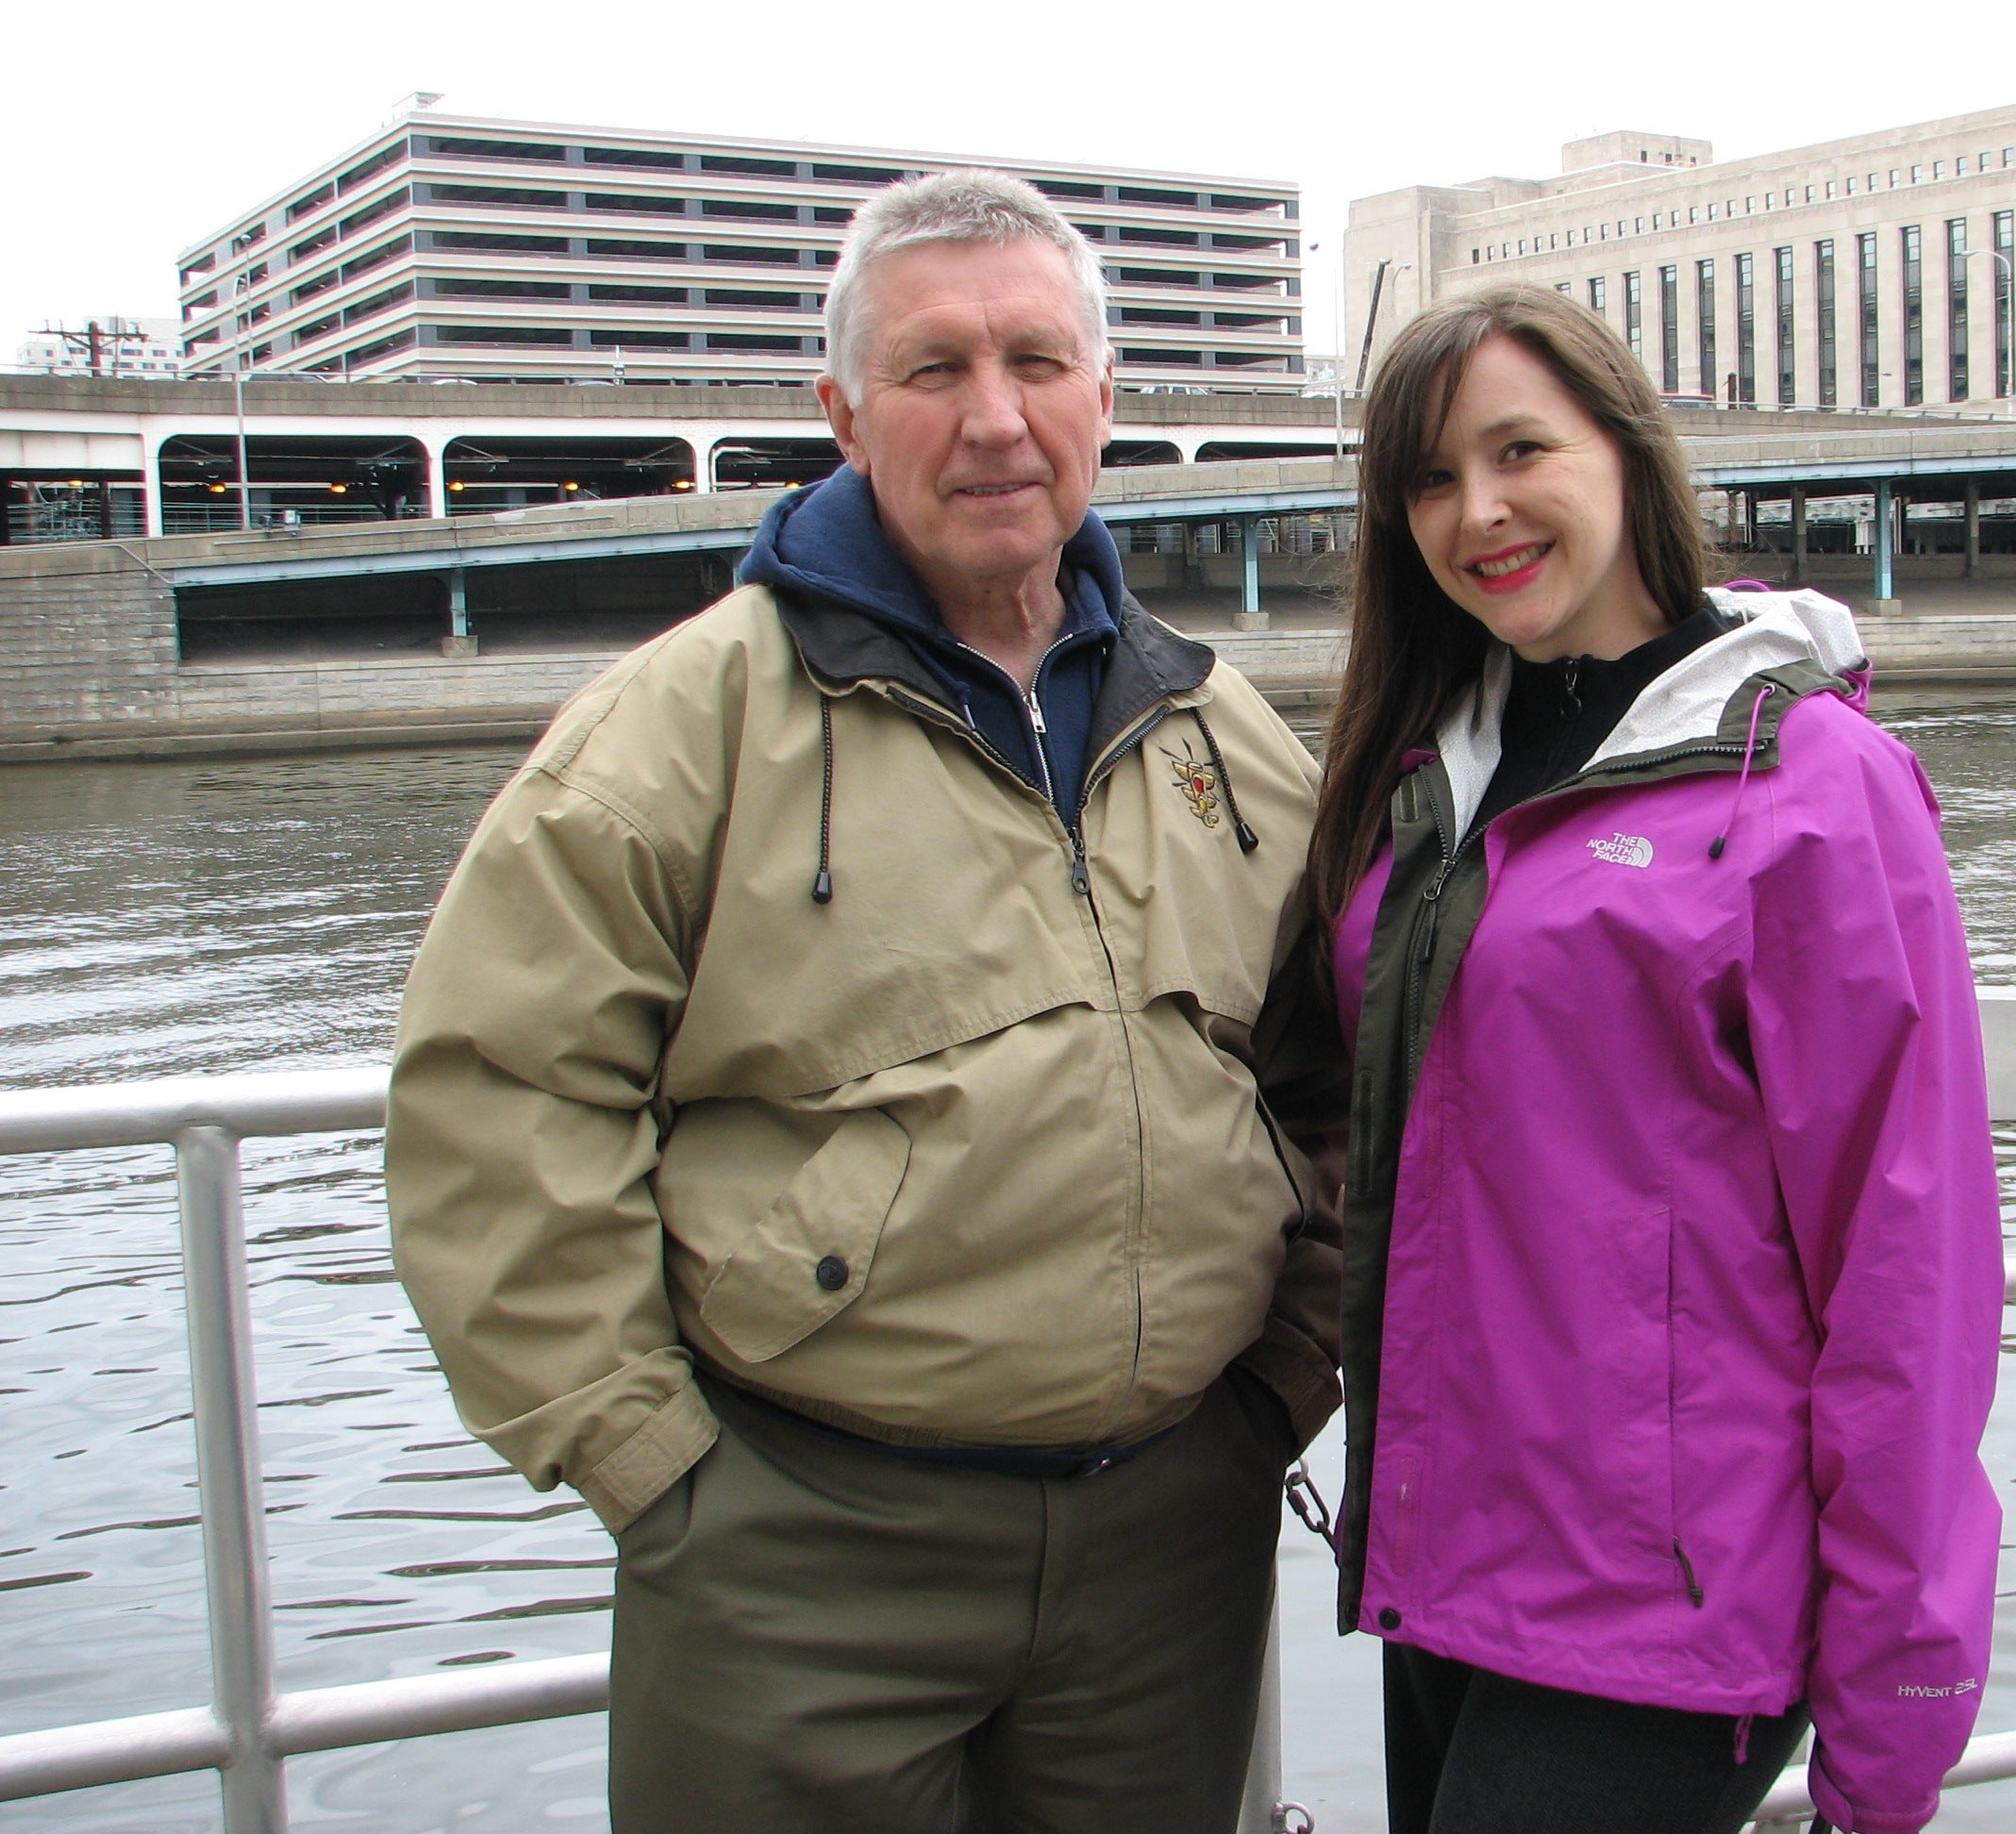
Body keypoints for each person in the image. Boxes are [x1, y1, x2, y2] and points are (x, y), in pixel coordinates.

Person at [385, 170, 1345, 1834]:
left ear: (1105, 398)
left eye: (1040, 363)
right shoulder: (682, 728)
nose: (997, 420)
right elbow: (501, 1089)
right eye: (934, 370)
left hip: (1167, 1538)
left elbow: (1346, 1072)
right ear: (839, 410)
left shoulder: (1222, 738)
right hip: (796, 1543)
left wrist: (1287, 1375)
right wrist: (652, 1468)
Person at [1306, 286, 2003, 1834]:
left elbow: (1908, 1256)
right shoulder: (1439, 763)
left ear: (1627, 448)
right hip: (1447, 1561)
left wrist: (1893, 1716)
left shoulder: (1806, 779)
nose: (1476, 510)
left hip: (1664, 1599)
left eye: (1518, 450)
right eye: (1428, 477)